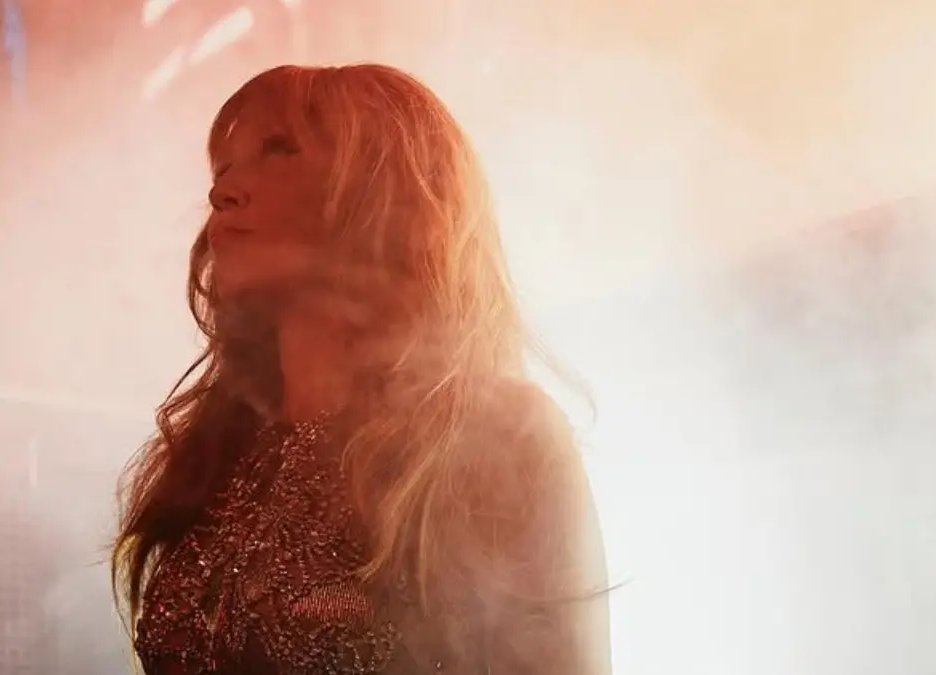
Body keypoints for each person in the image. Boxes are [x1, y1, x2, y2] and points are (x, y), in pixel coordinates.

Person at [112, 63, 611, 674]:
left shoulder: (494, 433)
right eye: (223, 169)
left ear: (384, 187)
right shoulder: (222, 450)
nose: (224, 192)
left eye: (278, 150)